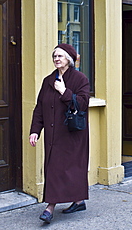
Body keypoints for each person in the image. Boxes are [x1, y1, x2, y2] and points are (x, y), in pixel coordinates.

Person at [29, 43, 90, 224]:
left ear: (69, 60)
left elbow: (82, 103)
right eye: (54, 56)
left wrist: (64, 92)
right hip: (54, 135)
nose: (56, 59)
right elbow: (40, 107)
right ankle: (76, 201)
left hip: (73, 135)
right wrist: (35, 131)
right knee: (54, 168)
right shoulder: (48, 81)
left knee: (73, 169)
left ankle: (50, 208)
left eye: (60, 56)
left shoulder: (80, 79)